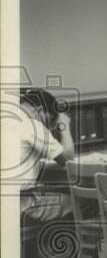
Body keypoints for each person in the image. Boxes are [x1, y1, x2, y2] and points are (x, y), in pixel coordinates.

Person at [17, 87, 76, 223]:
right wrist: (64, 126)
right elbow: (68, 160)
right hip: (21, 205)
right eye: (48, 121)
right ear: (39, 110)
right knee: (78, 201)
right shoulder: (32, 125)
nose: (48, 128)